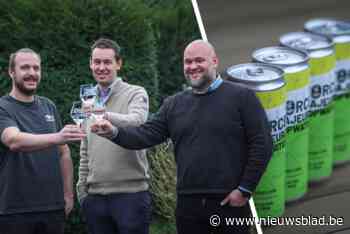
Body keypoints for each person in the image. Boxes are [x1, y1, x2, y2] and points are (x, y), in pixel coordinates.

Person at [90, 39, 273, 234]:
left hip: (229, 204)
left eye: (199, 60)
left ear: (214, 61)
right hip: (188, 206)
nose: (193, 66)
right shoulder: (174, 104)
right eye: (188, 62)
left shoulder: (241, 96)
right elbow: (144, 136)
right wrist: (113, 132)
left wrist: (245, 189)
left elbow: (262, 143)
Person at [0, 48, 85, 234]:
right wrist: (58, 137)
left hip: (52, 209)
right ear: (11, 72)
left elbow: (64, 153)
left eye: (36, 68)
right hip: (14, 211)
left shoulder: (48, 106)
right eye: (25, 68)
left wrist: (68, 195)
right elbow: (13, 140)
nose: (32, 73)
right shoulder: (3, 107)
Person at [76, 38, 151, 234]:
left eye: (107, 62)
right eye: (97, 62)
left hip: (131, 197)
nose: (101, 67)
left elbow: (138, 121)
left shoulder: (136, 93)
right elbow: (86, 149)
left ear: (118, 63)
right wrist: (82, 192)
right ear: (90, 64)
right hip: (95, 199)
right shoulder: (88, 99)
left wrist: (102, 113)